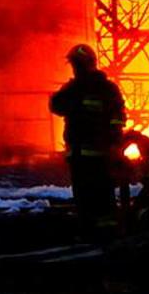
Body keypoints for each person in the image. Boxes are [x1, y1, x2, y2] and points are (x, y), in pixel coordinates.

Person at [50, 43, 127, 239]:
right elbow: (55, 106)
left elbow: (117, 117)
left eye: (79, 64)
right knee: (82, 195)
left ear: (90, 64)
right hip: (77, 154)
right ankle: (88, 230)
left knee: (101, 194)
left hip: (99, 154)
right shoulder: (73, 88)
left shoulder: (106, 89)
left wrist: (114, 144)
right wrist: (71, 95)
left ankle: (108, 232)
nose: (76, 69)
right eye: (75, 65)